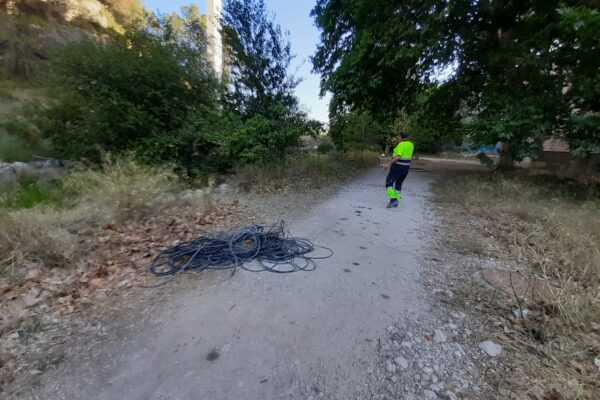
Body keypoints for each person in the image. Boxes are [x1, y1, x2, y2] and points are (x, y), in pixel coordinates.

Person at [383, 132, 414, 208]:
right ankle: (396, 201)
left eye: (398, 136)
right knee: (399, 184)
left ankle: (393, 200)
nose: (397, 138)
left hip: (397, 167)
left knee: (388, 183)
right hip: (406, 168)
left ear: (401, 137)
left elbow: (398, 156)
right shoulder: (411, 144)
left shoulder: (401, 144)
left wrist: (388, 164)